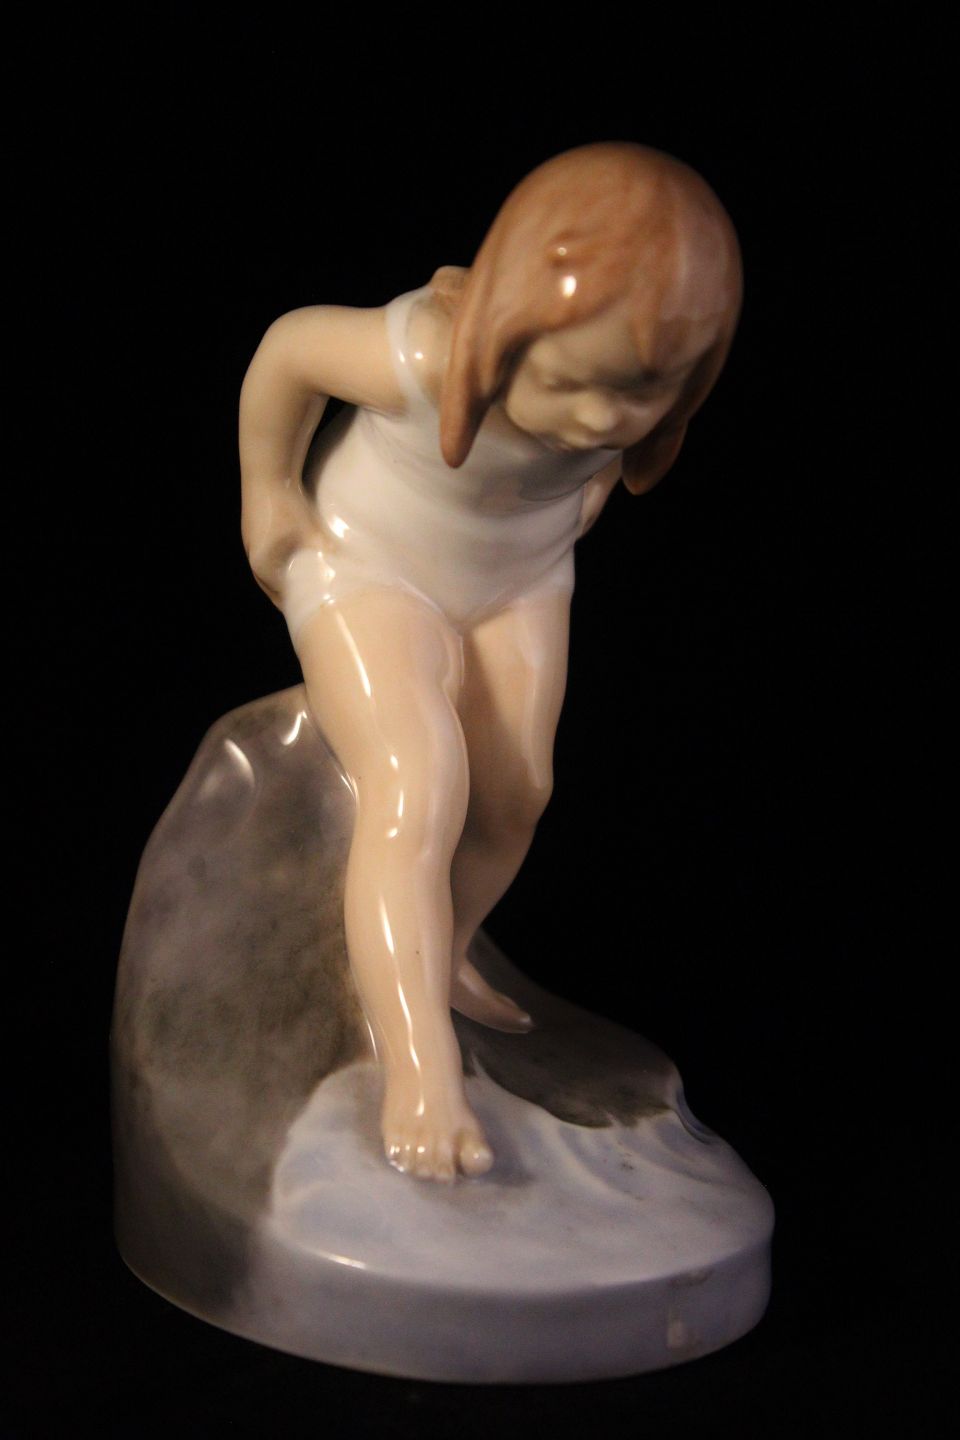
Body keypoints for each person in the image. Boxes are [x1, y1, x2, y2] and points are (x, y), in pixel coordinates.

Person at [238, 141, 742, 1182]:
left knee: (517, 793)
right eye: (566, 383)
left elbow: (589, 468)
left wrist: (572, 504)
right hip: (371, 563)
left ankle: (440, 952)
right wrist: (268, 491)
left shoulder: (624, 398)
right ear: (503, 330)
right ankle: (417, 1068)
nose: (596, 420)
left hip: (516, 581)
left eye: (637, 394)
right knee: (418, 783)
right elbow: (288, 350)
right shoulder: (425, 358)